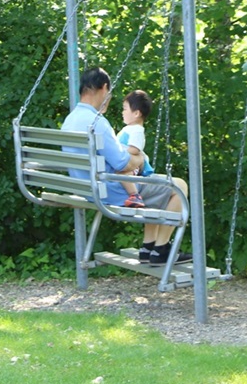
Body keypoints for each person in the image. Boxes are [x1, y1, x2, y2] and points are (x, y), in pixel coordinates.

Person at [61, 67, 191, 266]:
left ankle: (149, 247)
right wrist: (139, 159)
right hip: (110, 190)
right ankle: (161, 249)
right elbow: (122, 163)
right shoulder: (97, 122)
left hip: (86, 188)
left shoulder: (70, 120)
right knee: (179, 186)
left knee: (157, 187)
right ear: (104, 88)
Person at [116, 89, 155, 209]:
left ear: (136, 113)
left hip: (134, 164)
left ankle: (134, 195)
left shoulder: (137, 130)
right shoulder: (129, 128)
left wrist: (117, 152)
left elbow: (135, 149)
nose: (123, 112)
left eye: (125, 109)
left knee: (123, 172)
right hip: (126, 160)